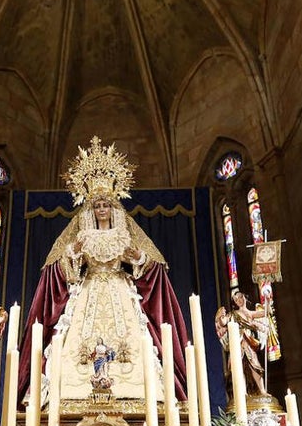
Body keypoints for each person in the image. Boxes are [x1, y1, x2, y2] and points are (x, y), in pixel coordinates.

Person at [19, 137, 188, 401]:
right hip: (88, 291)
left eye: (105, 204)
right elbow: (64, 271)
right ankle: (71, 395)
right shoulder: (82, 232)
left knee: (132, 346)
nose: (101, 209)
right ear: (91, 208)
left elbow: (152, 264)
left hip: (121, 290)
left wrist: (139, 258)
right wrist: (73, 256)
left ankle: (136, 393)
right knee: (75, 348)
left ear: (112, 205)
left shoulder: (125, 229)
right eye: (96, 205)